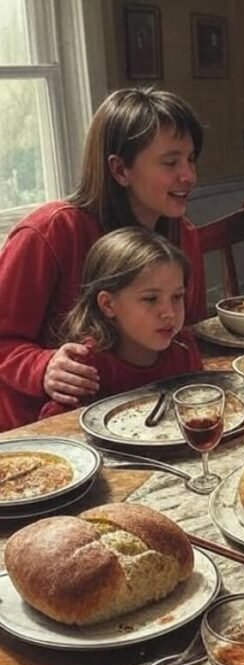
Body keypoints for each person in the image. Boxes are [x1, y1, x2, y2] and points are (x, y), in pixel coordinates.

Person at [0, 87, 206, 431]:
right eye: (170, 163)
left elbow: (185, 330)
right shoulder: (50, 232)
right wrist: (43, 366)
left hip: (145, 419)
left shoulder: (182, 234)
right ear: (120, 170)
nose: (189, 176)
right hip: (41, 430)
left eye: (191, 159)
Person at [39, 227, 202, 420]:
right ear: (108, 304)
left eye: (177, 296)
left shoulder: (183, 348)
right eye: (150, 299)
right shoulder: (86, 367)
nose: (169, 313)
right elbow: (55, 428)